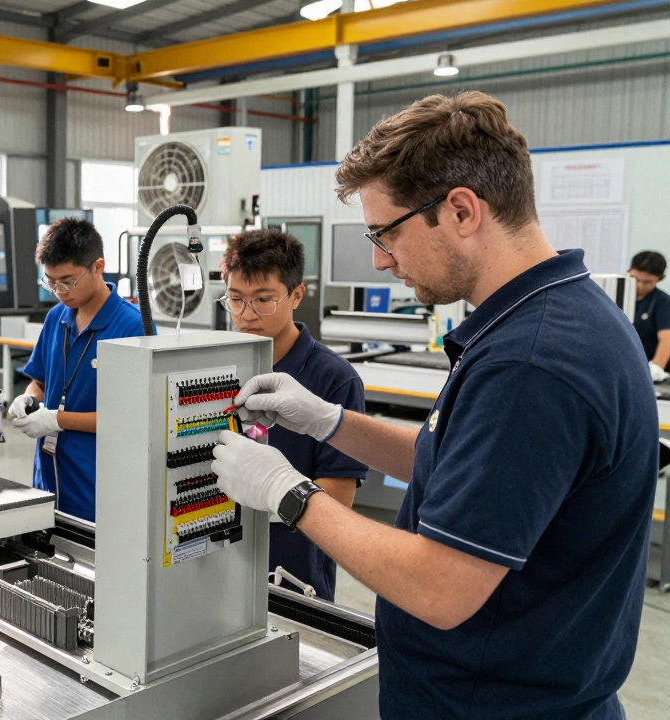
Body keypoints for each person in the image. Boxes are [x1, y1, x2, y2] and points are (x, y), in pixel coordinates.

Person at [211, 91, 656, 719]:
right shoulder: (556, 315)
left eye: (388, 232)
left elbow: (440, 587)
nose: (379, 259)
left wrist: (286, 492)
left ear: (462, 211)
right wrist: (328, 421)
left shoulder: (529, 363)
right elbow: (461, 466)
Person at [219, 229, 367, 601]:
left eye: (263, 300)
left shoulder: (335, 379)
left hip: (294, 576)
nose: (246, 315)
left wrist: (272, 492)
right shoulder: (218, 366)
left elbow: (339, 500)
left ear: (296, 295)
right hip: (221, 562)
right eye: (235, 300)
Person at [9, 218, 145, 522]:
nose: (60, 291)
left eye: (68, 281)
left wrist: (56, 419)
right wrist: (29, 400)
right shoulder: (56, 318)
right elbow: (40, 381)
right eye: (50, 282)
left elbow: (131, 419)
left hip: (97, 485)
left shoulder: (132, 327)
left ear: (98, 266)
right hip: (49, 479)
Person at [627, 250, 670, 381]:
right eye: (635, 279)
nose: (639, 285)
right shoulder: (616, 295)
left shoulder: (663, 303)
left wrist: (656, 368)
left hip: (647, 370)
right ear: (629, 271)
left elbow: (666, 339)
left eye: (647, 282)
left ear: (659, 279)